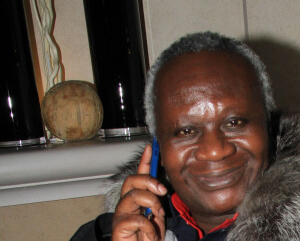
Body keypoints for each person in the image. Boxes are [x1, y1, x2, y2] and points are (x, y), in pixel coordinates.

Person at [71, 32, 300, 241]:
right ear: (158, 147)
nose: (214, 150)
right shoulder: (105, 234)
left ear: (270, 129)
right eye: (186, 131)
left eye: (234, 123)